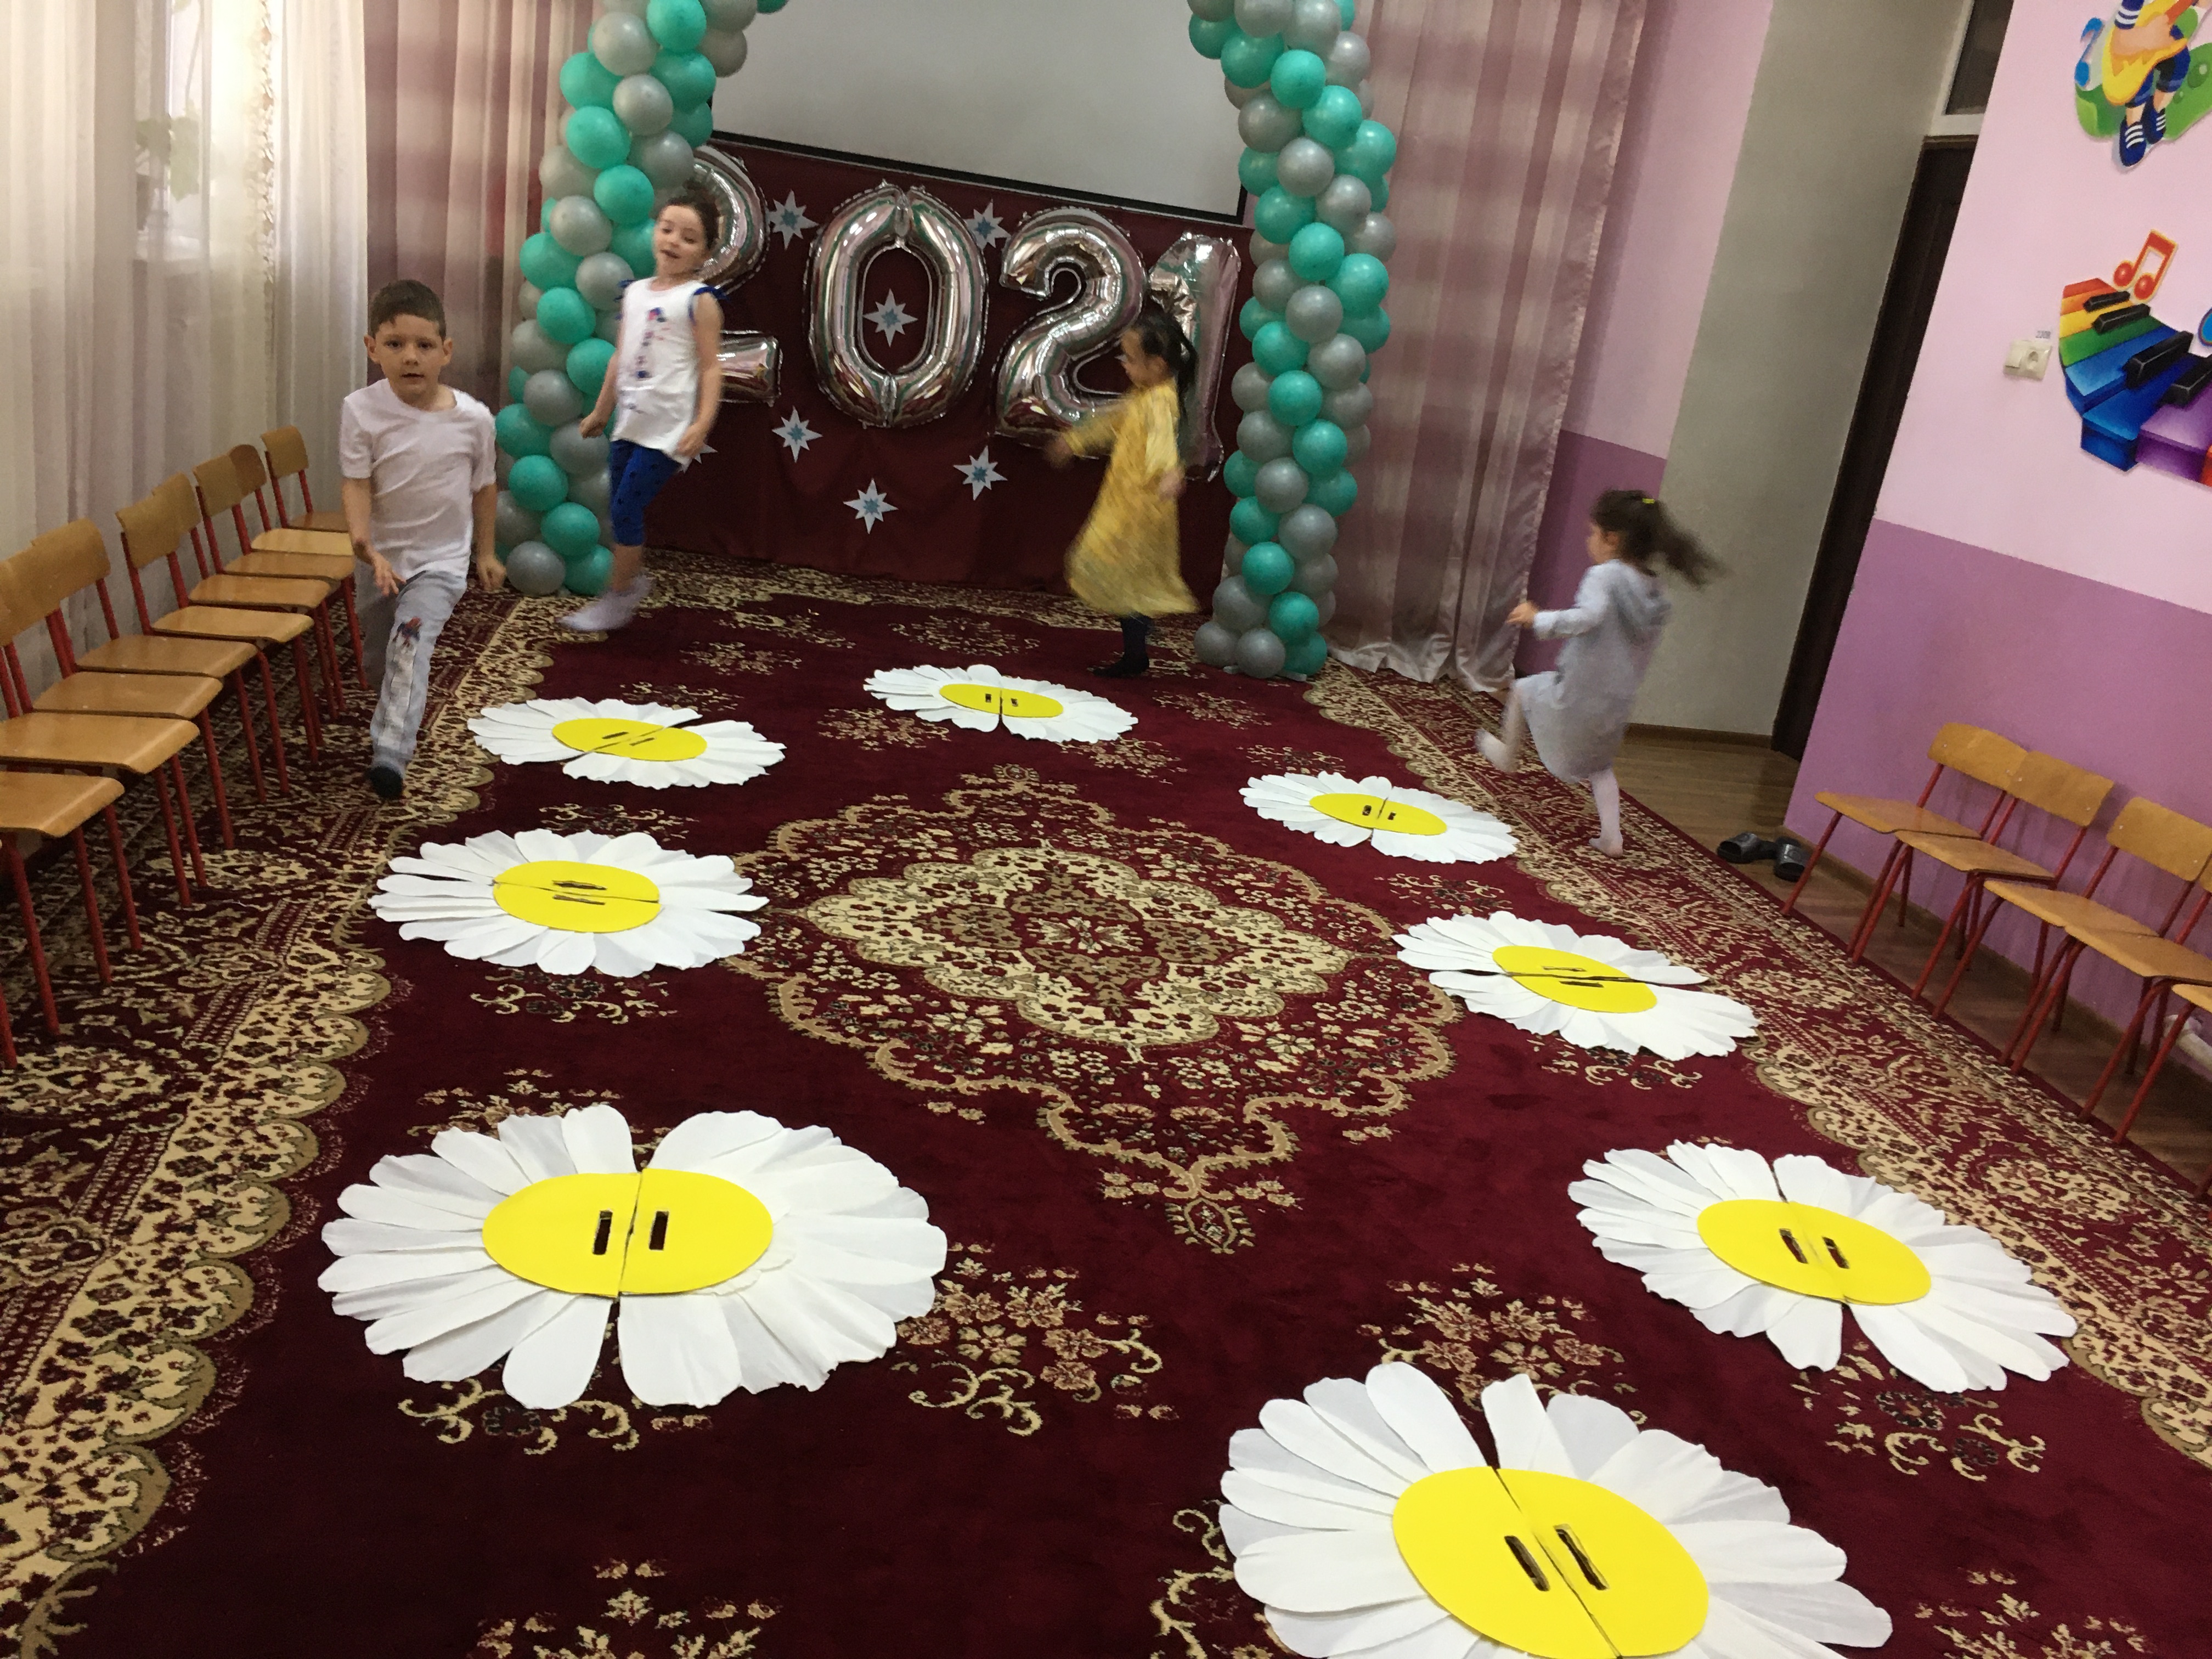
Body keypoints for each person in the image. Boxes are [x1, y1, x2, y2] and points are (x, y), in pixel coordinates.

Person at [1478, 490, 1716, 857]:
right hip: (1618, 700)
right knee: (1601, 767)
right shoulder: (1655, 590)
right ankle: (1612, 837)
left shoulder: (1605, 576)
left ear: (1612, 539)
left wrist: (1538, 618)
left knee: (1523, 689)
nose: (1588, 540)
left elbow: (1588, 617)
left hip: (1579, 690)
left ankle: (1508, 755)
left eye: (1592, 533)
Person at [341, 278, 500, 802]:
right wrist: (364, 545)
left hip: (441, 563)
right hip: (381, 560)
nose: (411, 357)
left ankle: (391, 754)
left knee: (409, 645)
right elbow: (356, 482)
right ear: (373, 349)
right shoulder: (360, 410)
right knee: (380, 659)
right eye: (395, 344)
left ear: (446, 352)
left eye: (424, 345)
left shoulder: (474, 420)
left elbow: (484, 486)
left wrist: (485, 552)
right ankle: (394, 709)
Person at [565, 188, 725, 633]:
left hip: (668, 429)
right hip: (630, 423)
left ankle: (618, 597)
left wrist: (702, 422)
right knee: (620, 507)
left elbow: (711, 367)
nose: (673, 242)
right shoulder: (635, 293)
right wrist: (601, 412)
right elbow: (621, 357)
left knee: (626, 507)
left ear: (705, 252)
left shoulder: (699, 300)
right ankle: (630, 584)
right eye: (667, 229)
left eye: (689, 238)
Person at [1045, 306, 1198, 677]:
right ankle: (1138, 644)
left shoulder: (1160, 399)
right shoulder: (1143, 395)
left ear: (1157, 365)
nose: (1125, 367)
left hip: (1142, 506)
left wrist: (1169, 471)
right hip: (1125, 499)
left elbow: (1162, 438)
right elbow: (1113, 421)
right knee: (1124, 574)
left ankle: (1136, 650)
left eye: (1130, 360)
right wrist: (1075, 442)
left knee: (1110, 565)